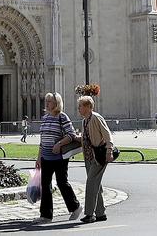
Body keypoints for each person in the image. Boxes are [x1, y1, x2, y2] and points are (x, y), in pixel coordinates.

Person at [36, 92, 80, 222]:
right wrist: (38, 158)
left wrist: (59, 144)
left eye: (49, 101)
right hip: (45, 157)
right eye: (46, 101)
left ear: (56, 103)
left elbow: (71, 134)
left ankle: (75, 207)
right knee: (45, 185)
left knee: (62, 183)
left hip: (59, 157)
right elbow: (42, 139)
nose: (47, 103)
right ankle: (46, 215)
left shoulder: (62, 117)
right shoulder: (45, 118)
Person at [77, 95, 112, 224]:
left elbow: (107, 134)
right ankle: (100, 213)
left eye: (80, 106)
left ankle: (89, 214)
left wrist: (109, 150)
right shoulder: (84, 120)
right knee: (96, 184)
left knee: (91, 183)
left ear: (87, 107)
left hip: (99, 156)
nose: (78, 108)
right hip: (89, 157)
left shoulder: (96, 118)